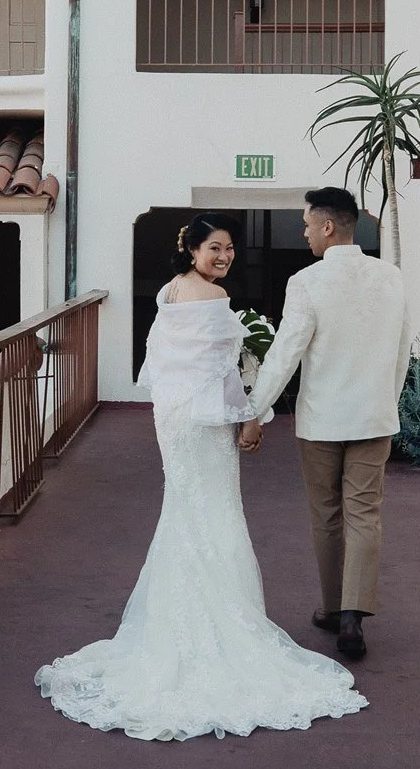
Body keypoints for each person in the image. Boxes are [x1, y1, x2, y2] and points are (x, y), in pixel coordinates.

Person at [34, 213, 366, 740]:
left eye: (229, 248)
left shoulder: (169, 292)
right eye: (215, 248)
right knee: (217, 511)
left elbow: (162, 360)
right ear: (191, 249)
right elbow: (222, 372)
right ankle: (220, 624)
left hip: (174, 418)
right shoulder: (213, 298)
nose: (224, 256)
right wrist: (251, 417)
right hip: (205, 422)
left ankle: (173, 623)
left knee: (184, 509)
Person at [239, 187, 412, 662]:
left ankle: (335, 608)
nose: (305, 233)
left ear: (328, 227)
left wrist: (256, 411)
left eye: (307, 225)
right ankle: (353, 616)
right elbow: (402, 350)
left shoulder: (306, 282)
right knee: (364, 513)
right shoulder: (391, 278)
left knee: (327, 514)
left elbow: (286, 353)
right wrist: (387, 402)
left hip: (322, 420)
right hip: (374, 416)